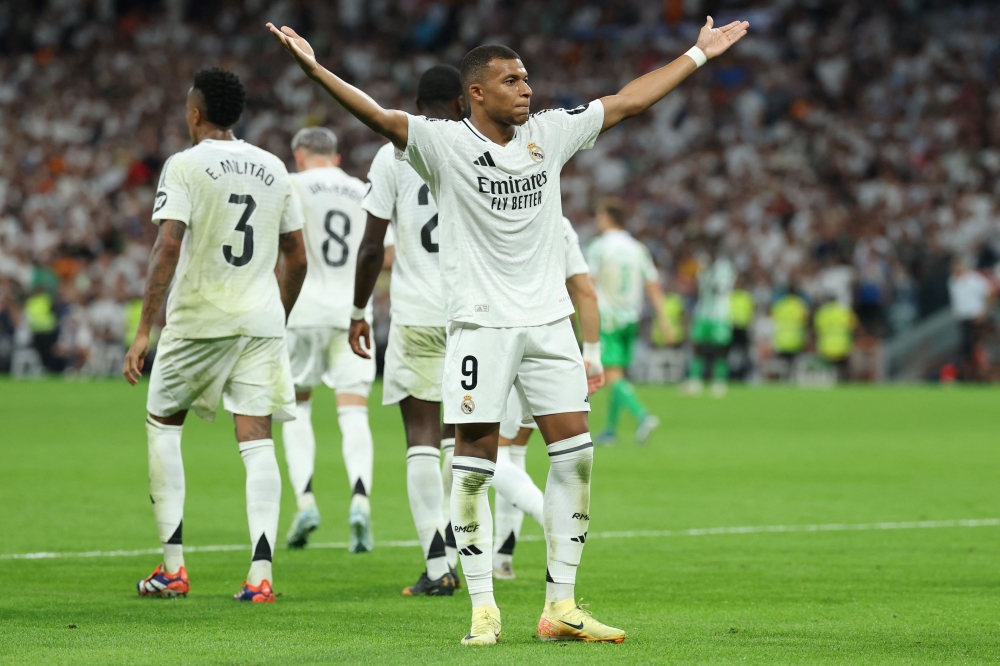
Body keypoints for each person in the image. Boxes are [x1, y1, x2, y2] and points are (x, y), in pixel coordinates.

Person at [269, 15, 748, 645]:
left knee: (575, 457)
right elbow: (381, 118)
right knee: (472, 465)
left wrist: (696, 54)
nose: (527, 88)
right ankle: (483, 607)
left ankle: (561, 605)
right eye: (511, 80)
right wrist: (314, 70)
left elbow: (629, 100)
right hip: (479, 327)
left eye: (526, 78)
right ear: (477, 93)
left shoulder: (549, 133)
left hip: (549, 324)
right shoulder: (442, 145)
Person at [122, 68, 307, 603]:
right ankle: (261, 575)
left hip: (200, 318)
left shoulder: (183, 166)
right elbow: (296, 254)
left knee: (163, 426)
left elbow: (168, 246)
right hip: (260, 320)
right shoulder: (273, 167)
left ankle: (174, 568)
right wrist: (278, 310)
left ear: (195, 112)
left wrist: (142, 331)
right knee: (257, 440)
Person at [350, 65, 465, 596]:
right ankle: (471, 553)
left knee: (420, 435)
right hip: (471, 312)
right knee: (460, 439)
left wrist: (358, 312)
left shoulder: (392, 153)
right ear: (463, 101)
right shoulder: (476, 143)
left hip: (417, 312)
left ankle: (438, 565)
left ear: (416, 103)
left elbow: (373, 244)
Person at [280, 126, 391, 553]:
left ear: (299, 156)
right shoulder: (361, 188)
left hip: (301, 312)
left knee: (297, 409)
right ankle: (360, 500)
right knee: (353, 413)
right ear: (337, 157)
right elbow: (383, 252)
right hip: (351, 313)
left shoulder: (291, 184)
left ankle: (305, 500)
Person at [493, 216, 603, 580]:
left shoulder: (492, 206)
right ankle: (502, 556)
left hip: (498, 333)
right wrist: (592, 351)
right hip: (554, 344)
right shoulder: (562, 223)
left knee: (481, 454)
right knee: (514, 449)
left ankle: (547, 514)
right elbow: (584, 290)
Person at [586, 198, 670, 444]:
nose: (596, 220)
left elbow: (588, 284)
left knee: (611, 375)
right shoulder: (638, 248)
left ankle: (642, 415)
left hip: (607, 317)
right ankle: (611, 430)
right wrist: (664, 320)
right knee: (618, 373)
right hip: (631, 317)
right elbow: (653, 285)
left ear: (607, 218)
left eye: (599, 216)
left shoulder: (599, 247)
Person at [685, 249, 737, 397]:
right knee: (698, 346)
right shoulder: (702, 266)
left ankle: (719, 381)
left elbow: (719, 288)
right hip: (703, 311)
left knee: (721, 348)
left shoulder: (725, 268)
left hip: (720, 314)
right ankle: (695, 380)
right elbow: (698, 288)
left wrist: (708, 274)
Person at [948, 256, 994, 381]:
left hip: (975, 318)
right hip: (962, 319)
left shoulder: (974, 279)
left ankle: (982, 375)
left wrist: (984, 312)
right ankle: (967, 376)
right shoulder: (952, 281)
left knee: (975, 347)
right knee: (966, 348)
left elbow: (990, 294)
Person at [814, 295, 857, 381]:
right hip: (842, 345)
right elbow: (853, 325)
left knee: (828, 368)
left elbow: (816, 328)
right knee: (843, 366)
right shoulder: (844, 311)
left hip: (826, 345)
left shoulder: (822, 312)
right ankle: (844, 381)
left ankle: (828, 381)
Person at [770, 286, 810, 380]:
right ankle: (793, 380)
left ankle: (783, 380)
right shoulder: (800, 305)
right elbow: (806, 320)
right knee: (795, 364)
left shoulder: (780, 305)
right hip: (795, 339)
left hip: (782, 339)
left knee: (782, 364)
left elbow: (773, 318)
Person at [729, 276, 754, 381]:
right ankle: (731, 375)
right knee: (729, 354)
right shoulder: (731, 296)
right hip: (731, 327)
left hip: (742, 328)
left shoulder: (746, 297)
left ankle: (743, 374)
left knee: (743, 354)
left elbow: (751, 313)